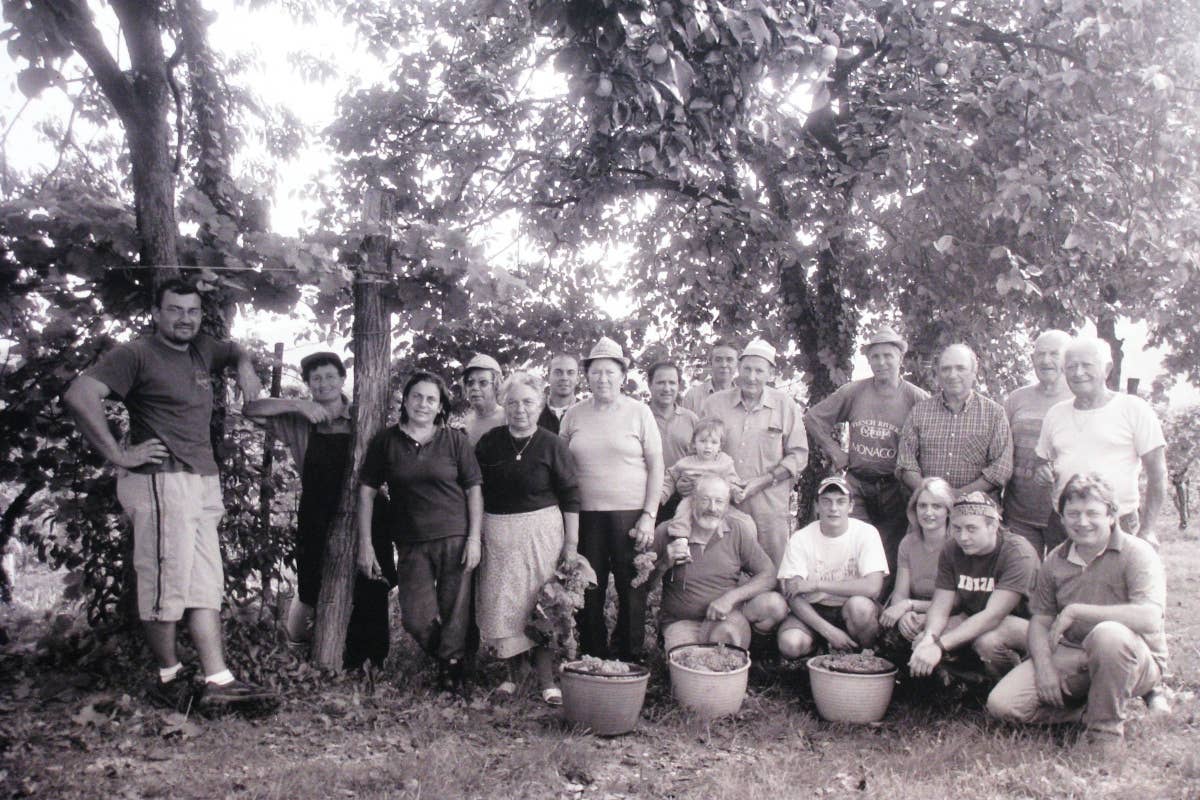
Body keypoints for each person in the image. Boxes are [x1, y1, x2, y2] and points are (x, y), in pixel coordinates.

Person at [63, 279, 274, 711]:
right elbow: (79, 394)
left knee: (203, 585)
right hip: (161, 481)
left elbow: (233, 349)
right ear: (156, 314)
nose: (185, 319)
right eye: (175, 310)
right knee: (164, 583)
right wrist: (119, 454)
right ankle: (169, 680)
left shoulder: (202, 350)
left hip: (201, 481)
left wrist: (246, 366)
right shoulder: (137, 354)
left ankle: (217, 679)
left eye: (192, 311)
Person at [986, 473, 1169, 750]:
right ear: (1061, 518)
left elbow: (1150, 618)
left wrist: (1077, 611)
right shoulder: (1055, 559)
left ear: (1111, 515)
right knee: (1003, 705)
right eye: (1073, 513)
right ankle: (1089, 709)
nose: (1082, 522)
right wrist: (1045, 668)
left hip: (1133, 656)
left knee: (1108, 635)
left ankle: (1104, 735)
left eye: (1092, 513)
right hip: (1071, 652)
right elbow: (1040, 621)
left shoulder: (1137, 553)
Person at [242, 352, 394, 669]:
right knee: (313, 584)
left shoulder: (364, 416)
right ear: (309, 384)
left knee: (373, 584)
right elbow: (250, 409)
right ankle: (313, 651)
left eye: (329, 376)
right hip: (317, 510)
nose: (323, 384)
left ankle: (370, 663)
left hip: (368, 508)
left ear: (342, 379)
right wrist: (298, 405)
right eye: (315, 378)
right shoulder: (300, 421)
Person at [358, 371, 482, 692]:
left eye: (431, 399)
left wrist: (474, 538)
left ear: (441, 406)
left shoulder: (455, 440)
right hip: (411, 541)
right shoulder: (386, 441)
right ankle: (452, 656)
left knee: (456, 610)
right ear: (406, 399)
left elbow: (474, 491)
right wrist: (365, 543)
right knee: (415, 618)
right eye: (417, 396)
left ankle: (452, 673)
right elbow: (367, 491)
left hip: (455, 535)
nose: (423, 404)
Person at [474, 372, 580, 705]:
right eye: (513, 402)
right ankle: (513, 674)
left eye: (528, 402)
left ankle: (548, 679)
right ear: (503, 403)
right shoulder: (489, 442)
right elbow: (474, 490)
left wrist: (572, 545)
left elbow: (572, 495)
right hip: (498, 533)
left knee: (542, 603)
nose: (520, 409)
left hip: (541, 534)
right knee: (503, 603)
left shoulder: (553, 444)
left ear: (540, 404)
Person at [560, 337, 664, 662]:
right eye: (596, 372)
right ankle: (593, 656)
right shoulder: (573, 415)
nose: (603, 379)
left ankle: (630, 659)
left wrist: (649, 514)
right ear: (587, 376)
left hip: (630, 517)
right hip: (585, 517)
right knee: (589, 588)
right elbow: (560, 465)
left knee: (632, 590)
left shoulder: (639, 412)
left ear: (622, 376)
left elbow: (657, 464)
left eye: (610, 372)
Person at [805, 325, 929, 577]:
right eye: (875, 356)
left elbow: (933, 440)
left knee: (890, 553)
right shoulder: (854, 391)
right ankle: (846, 605)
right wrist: (835, 451)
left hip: (895, 487)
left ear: (900, 358)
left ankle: (882, 608)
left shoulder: (917, 399)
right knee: (853, 544)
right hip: (858, 484)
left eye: (888, 356)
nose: (881, 362)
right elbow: (813, 418)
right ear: (869, 360)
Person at [1035, 336, 1167, 548]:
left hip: (1118, 523)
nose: (1078, 373)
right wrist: (1042, 472)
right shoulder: (1055, 414)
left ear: (1107, 369)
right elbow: (1041, 462)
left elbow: (1158, 473)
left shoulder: (1133, 409)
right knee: (1062, 580)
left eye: (1087, 365)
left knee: (1116, 581)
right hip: (1064, 525)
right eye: (1071, 367)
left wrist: (1148, 529)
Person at [909, 492, 1038, 680]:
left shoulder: (1017, 553)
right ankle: (969, 683)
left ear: (992, 526)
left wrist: (939, 646)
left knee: (987, 642)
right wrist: (929, 638)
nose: (963, 537)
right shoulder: (952, 549)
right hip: (976, 617)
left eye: (971, 529)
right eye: (957, 528)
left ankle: (1007, 685)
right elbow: (941, 605)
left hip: (1026, 625)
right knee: (922, 639)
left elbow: (993, 616)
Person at [701, 339, 809, 566]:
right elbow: (703, 449)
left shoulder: (784, 405)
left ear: (770, 373)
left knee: (773, 568)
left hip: (769, 509)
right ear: (738, 369)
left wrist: (763, 481)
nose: (751, 377)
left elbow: (798, 455)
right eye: (747, 369)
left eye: (759, 371)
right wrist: (725, 484)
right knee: (723, 567)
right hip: (723, 504)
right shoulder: (714, 404)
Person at [653, 475, 785, 654]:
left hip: (726, 617)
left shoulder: (737, 530)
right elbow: (641, 587)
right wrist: (663, 564)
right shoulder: (667, 531)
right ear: (692, 500)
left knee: (774, 604)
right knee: (692, 664)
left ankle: (759, 654)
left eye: (719, 502)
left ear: (727, 505)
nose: (712, 508)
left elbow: (768, 574)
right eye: (705, 500)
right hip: (682, 621)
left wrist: (730, 598)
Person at [771, 476, 890, 658]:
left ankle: (865, 655)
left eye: (840, 502)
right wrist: (828, 631)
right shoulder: (801, 538)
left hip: (851, 609)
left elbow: (873, 587)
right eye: (826, 502)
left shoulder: (866, 533)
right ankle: (819, 649)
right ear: (817, 506)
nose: (833, 508)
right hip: (814, 610)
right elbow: (792, 595)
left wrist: (817, 585)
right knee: (790, 643)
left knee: (861, 608)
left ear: (850, 506)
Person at [896, 343, 1013, 502]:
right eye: (946, 369)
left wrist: (958, 496)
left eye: (960, 368)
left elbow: (1000, 469)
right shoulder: (920, 412)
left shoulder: (994, 414)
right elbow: (905, 462)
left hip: (975, 512)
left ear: (974, 373)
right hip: (929, 509)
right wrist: (931, 495)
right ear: (937, 374)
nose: (952, 375)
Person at [1002, 330, 1074, 555]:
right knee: (1023, 580)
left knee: (1062, 580)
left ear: (1068, 359)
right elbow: (1001, 452)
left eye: (1054, 354)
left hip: (1066, 513)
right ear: (1032, 360)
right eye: (1040, 354)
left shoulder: (1078, 399)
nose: (1046, 360)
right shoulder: (1016, 399)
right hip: (1019, 514)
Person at [878, 477, 956, 660]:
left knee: (925, 642)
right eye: (922, 506)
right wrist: (904, 613)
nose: (928, 512)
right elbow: (900, 593)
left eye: (936, 506)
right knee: (888, 633)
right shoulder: (908, 543)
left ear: (948, 511)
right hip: (914, 611)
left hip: (950, 614)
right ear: (914, 509)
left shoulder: (957, 545)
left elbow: (957, 602)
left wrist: (909, 606)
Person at [661, 418, 743, 540]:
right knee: (682, 511)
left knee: (737, 519)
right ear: (694, 443)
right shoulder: (685, 463)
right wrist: (662, 494)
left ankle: (723, 539)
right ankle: (680, 540)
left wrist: (736, 491)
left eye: (714, 442)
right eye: (703, 441)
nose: (708, 446)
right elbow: (670, 478)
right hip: (692, 499)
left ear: (720, 445)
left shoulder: (724, 461)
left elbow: (732, 479)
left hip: (717, 500)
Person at [647, 360, 699, 470]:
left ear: (679, 386)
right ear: (650, 385)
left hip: (683, 485)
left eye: (672, 383)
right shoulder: (640, 417)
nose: (667, 388)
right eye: (661, 382)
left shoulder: (691, 419)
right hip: (645, 486)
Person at [681, 340, 738, 415]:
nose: (724, 365)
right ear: (711, 363)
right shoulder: (693, 397)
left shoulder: (744, 397)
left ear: (737, 364)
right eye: (718, 360)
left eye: (729, 360)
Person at [460, 353, 506, 446]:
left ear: (496, 386)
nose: (475, 388)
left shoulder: (508, 419)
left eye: (483, 383)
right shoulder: (465, 423)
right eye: (470, 383)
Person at [537, 353, 579, 435]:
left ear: (577, 378)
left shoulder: (586, 411)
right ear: (548, 376)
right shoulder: (535, 411)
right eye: (558, 372)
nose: (564, 378)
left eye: (570, 373)